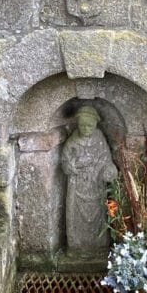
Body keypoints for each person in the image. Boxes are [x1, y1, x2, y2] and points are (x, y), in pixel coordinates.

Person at [61, 105, 117, 252]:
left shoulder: (99, 138)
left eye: (90, 126)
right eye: (82, 125)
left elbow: (106, 159)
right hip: (77, 185)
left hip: (96, 184)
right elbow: (65, 162)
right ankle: (76, 246)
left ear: (95, 125)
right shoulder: (72, 142)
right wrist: (72, 166)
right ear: (78, 125)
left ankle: (99, 245)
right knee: (75, 217)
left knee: (99, 215)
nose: (86, 129)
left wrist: (109, 170)